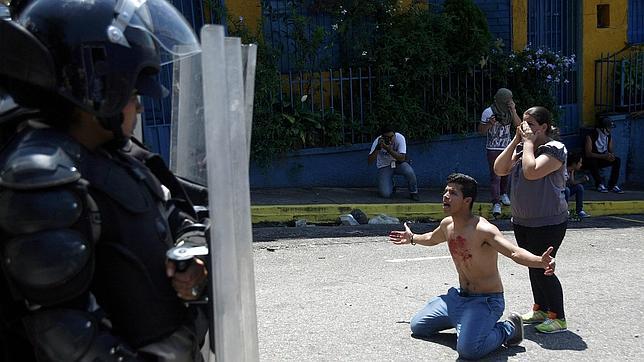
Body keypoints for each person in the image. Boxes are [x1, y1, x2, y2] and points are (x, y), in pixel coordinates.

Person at [0, 0, 209, 360]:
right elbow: (62, 332)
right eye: (132, 93)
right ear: (98, 87)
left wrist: (189, 253)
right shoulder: (40, 174)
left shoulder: (113, 153)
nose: (140, 106)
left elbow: (173, 212)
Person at [389, 173, 555, 360]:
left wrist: (539, 261)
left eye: (452, 193)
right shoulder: (447, 225)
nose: (445, 196)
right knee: (418, 327)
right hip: (459, 298)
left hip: (485, 302)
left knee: (469, 351)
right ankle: (465, 324)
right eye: (445, 191)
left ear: (467, 200)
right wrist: (411, 238)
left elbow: (514, 252)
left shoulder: (483, 230)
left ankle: (508, 328)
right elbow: (431, 238)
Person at [494, 106, 569, 334]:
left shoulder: (555, 149)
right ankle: (541, 309)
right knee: (531, 265)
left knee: (543, 266)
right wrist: (517, 140)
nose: (525, 128)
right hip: (523, 221)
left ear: (544, 127)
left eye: (530, 125)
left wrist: (527, 143)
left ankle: (558, 317)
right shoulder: (522, 146)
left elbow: (532, 171)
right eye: (523, 124)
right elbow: (499, 169)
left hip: (549, 222)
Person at [479, 88, 522, 217]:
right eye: (508, 100)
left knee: (507, 173)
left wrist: (513, 111)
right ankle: (496, 203)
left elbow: (519, 126)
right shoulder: (488, 112)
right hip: (493, 148)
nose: (510, 102)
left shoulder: (509, 111)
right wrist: (490, 124)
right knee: (495, 175)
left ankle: (504, 194)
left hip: (507, 147)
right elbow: (481, 131)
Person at [368, 124, 419, 201]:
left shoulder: (400, 138)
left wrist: (388, 149)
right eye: (386, 137)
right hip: (384, 166)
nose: (389, 140)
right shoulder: (378, 141)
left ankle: (414, 192)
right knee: (385, 194)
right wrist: (377, 148)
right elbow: (369, 161)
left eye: (391, 137)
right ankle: (391, 183)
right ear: (382, 137)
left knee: (409, 171)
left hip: (398, 163)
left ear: (395, 135)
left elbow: (402, 158)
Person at [583, 116, 624, 193]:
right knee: (592, 161)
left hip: (602, 159)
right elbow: (588, 154)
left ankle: (613, 185)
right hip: (590, 160)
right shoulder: (590, 136)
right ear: (602, 128)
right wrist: (603, 156)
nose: (610, 130)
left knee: (617, 160)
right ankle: (599, 184)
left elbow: (610, 150)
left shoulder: (608, 136)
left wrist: (611, 156)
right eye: (609, 128)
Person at [565, 152, 590, 218]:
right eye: (580, 163)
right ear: (574, 163)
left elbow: (572, 182)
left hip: (565, 191)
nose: (581, 165)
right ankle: (564, 211)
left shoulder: (571, 170)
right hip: (559, 191)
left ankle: (579, 211)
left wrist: (581, 180)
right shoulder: (564, 169)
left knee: (579, 187)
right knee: (566, 190)